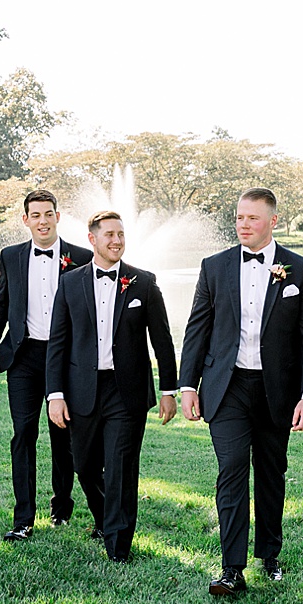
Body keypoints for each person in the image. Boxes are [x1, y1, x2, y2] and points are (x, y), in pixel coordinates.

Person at [178, 187, 303, 597]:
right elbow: (197, 329)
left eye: (253, 218)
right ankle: (231, 568)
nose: (243, 224)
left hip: (277, 390)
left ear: (272, 221)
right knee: (231, 470)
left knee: (271, 472)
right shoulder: (214, 266)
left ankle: (270, 554)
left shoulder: (302, 271)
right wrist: (188, 385)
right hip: (226, 388)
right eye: (240, 217)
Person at [45, 210, 178, 562]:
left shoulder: (143, 282)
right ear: (93, 239)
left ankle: (118, 546)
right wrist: (55, 394)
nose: (117, 241)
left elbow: (162, 341)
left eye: (121, 235)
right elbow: (58, 342)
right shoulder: (70, 283)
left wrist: (169, 390)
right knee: (85, 466)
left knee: (121, 467)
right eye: (110, 235)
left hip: (126, 391)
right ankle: (106, 518)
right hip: (82, 389)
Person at [0, 190, 94, 541]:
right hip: (24, 356)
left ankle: (61, 507)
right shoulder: (11, 256)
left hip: (65, 357)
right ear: (26, 220)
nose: (43, 221)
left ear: (57, 217)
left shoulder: (81, 257)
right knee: (23, 433)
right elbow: (2, 299)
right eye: (36, 215)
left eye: (48, 214)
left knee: (63, 434)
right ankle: (23, 519)